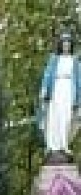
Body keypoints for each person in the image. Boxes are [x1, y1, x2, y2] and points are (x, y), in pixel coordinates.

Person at [39, 31, 81, 161]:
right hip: (56, 89)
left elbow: (79, 80)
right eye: (64, 43)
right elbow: (47, 75)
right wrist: (44, 89)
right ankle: (53, 146)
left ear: (71, 45)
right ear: (61, 45)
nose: (66, 46)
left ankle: (64, 145)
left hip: (69, 90)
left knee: (67, 117)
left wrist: (79, 97)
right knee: (54, 116)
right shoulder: (54, 59)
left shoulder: (75, 61)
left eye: (68, 43)